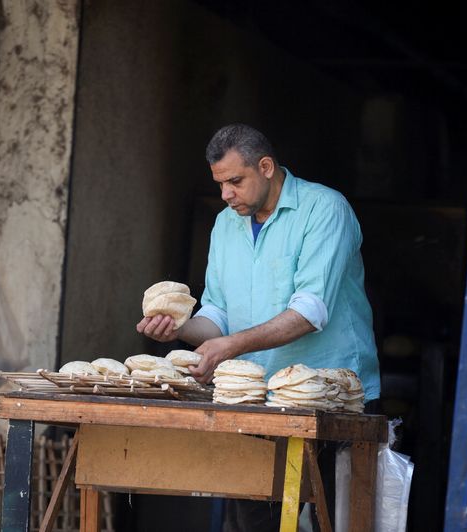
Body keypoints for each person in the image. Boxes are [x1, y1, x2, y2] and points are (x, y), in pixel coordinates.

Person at [135, 124, 381, 531]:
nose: (226, 195)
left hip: (335, 399)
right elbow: (218, 317)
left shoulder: (324, 209)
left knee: (335, 523)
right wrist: (177, 327)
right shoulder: (225, 225)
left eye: (235, 181)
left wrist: (227, 346)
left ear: (266, 167)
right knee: (255, 524)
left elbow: (310, 311)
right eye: (220, 184)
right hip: (256, 397)